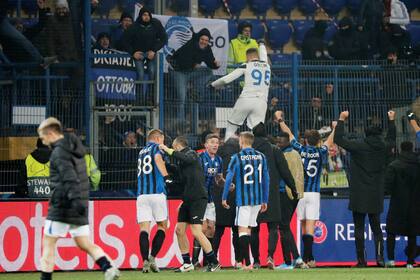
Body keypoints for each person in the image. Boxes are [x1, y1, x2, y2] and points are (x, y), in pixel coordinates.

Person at [37, 117, 119, 280]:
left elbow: (69, 178)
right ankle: (107, 267)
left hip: (62, 205)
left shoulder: (59, 152)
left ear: (51, 133)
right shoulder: (77, 150)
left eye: (43, 136)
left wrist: (73, 201)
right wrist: (79, 203)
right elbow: (80, 178)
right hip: (79, 203)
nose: (42, 140)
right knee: (84, 243)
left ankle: (45, 278)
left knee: (48, 243)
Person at [334, 110, 396, 267]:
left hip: (359, 193)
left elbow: (339, 139)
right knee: (376, 229)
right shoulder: (383, 147)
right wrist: (391, 121)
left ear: (366, 134)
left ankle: (361, 261)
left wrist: (341, 120)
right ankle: (380, 259)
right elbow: (392, 139)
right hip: (375, 193)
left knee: (359, 229)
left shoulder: (359, 146)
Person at [278, 112, 336, 268]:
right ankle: (309, 258)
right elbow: (330, 142)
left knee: (303, 224)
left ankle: (305, 258)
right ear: (318, 141)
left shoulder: (299, 149)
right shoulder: (320, 151)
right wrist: (335, 128)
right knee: (310, 225)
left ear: (305, 140)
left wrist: (280, 120)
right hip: (314, 193)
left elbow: (289, 134)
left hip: (300, 192)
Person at [159, 137, 221, 272]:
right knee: (179, 230)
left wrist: (167, 150)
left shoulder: (192, 154)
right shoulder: (183, 163)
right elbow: (180, 176)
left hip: (198, 198)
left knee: (197, 232)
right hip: (187, 199)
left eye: (173, 148)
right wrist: (165, 165)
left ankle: (214, 262)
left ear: (176, 146)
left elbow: (187, 159)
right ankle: (187, 263)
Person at [250, 123, 298, 270]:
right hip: (271, 193)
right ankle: (270, 256)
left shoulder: (249, 150)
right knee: (273, 227)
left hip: (253, 193)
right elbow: (285, 171)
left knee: (254, 228)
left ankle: (256, 261)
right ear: (266, 134)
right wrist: (293, 187)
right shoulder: (274, 149)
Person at [222, 132, 269, 271]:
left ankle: (247, 263)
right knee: (248, 229)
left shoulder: (237, 157)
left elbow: (229, 177)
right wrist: (265, 200)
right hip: (257, 199)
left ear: (241, 141)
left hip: (243, 199)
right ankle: (249, 262)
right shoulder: (261, 156)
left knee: (242, 230)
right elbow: (266, 179)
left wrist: (224, 196)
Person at [211, 42, 270, 141]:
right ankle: (253, 153)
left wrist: (213, 85)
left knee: (231, 126)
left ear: (247, 57)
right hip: (262, 102)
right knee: (256, 131)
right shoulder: (266, 65)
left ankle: (227, 150)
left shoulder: (246, 65)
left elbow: (226, 79)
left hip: (246, 99)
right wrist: (262, 44)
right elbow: (264, 54)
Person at [167, 28, 220, 125]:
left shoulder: (207, 48)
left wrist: (216, 64)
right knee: (181, 97)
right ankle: (181, 122)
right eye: (202, 39)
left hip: (190, 71)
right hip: (178, 71)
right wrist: (193, 64)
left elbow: (210, 62)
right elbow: (181, 62)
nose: (204, 42)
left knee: (208, 71)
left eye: (206, 40)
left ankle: (195, 90)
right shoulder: (190, 45)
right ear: (199, 39)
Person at [137, 129, 171, 273]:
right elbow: (158, 159)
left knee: (144, 229)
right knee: (162, 226)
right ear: (157, 138)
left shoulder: (141, 152)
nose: (163, 143)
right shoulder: (157, 148)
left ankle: (145, 261)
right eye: (162, 140)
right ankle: (152, 258)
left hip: (142, 195)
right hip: (157, 193)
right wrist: (166, 177)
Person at [384, 141, 420, 268]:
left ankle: (391, 260)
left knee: (391, 232)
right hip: (415, 205)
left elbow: (387, 187)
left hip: (397, 204)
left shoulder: (394, 166)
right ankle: (410, 262)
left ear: (401, 149)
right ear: (412, 149)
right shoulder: (417, 165)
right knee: (412, 234)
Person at [192, 134, 224, 267]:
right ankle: (194, 260)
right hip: (200, 198)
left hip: (210, 199)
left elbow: (218, 179)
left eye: (217, 142)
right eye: (212, 142)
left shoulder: (219, 160)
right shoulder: (199, 158)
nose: (215, 145)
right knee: (203, 229)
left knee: (211, 229)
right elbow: (194, 178)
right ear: (206, 144)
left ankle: (207, 261)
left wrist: (226, 183)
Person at [275, 131, 305, 269]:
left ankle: (295, 259)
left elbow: (284, 175)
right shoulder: (296, 154)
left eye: (281, 141)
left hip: (285, 193)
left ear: (287, 141)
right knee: (284, 226)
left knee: (284, 227)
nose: (278, 144)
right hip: (296, 194)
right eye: (277, 141)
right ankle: (289, 261)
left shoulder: (284, 155)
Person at [212, 135, 242, 268]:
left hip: (219, 197)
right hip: (236, 198)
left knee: (218, 231)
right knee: (236, 232)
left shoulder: (218, 157)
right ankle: (239, 261)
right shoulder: (240, 158)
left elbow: (215, 178)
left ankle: (212, 261)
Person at [120, 6, 167, 81]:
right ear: (140, 16)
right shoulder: (133, 27)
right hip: (138, 54)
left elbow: (164, 39)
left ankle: (150, 92)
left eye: (148, 15)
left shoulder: (156, 24)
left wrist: (153, 50)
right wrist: (133, 53)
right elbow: (124, 41)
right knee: (140, 75)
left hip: (150, 53)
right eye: (144, 15)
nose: (147, 17)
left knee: (152, 73)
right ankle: (140, 93)